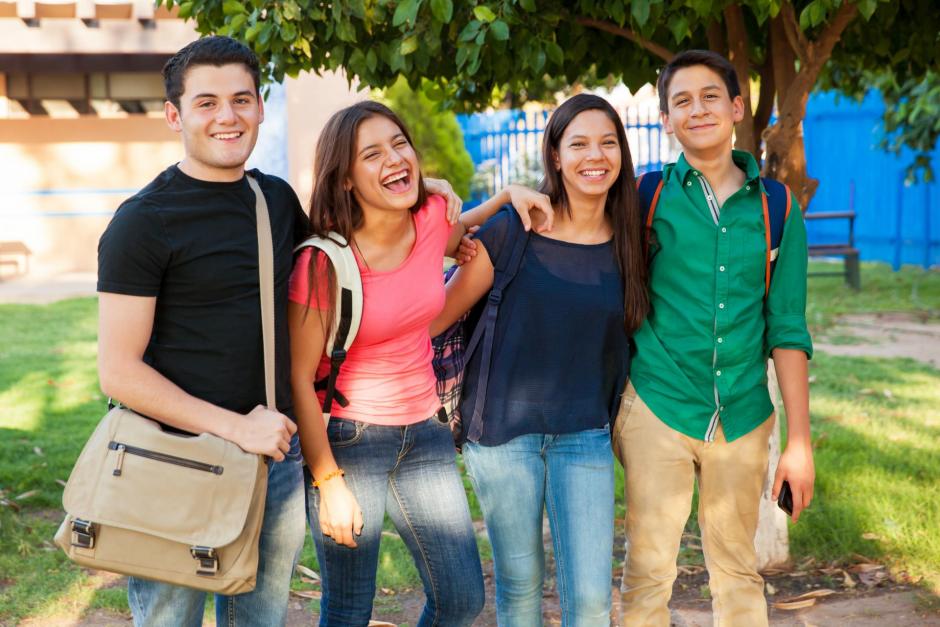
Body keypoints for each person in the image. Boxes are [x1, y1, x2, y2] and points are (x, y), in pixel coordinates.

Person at [288, 100, 553, 626]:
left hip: (425, 434)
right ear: (344, 178)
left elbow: (462, 237)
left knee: (461, 599)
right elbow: (297, 376)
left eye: (399, 144)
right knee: (348, 611)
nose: (394, 158)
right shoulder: (322, 261)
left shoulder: (431, 218)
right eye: (372, 153)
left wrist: (502, 196)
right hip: (347, 439)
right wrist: (328, 481)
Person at [96, 36, 309, 626]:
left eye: (241, 100)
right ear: (175, 115)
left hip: (274, 461)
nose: (228, 116)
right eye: (207, 102)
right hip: (172, 461)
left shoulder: (276, 200)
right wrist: (237, 428)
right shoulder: (144, 222)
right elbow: (118, 371)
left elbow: (356, 260)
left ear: (261, 108)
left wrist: (458, 207)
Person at [433, 93, 649, 626]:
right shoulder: (515, 231)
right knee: (522, 590)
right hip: (503, 437)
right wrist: (494, 199)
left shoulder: (632, 243)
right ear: (555, 155)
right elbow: (433, 314)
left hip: (586, 436)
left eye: (607, 142)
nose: (593, 155)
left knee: (592, 602)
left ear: (621, 153)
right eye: (578, 143)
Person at [615, 50, 815, 626]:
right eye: (681, 101)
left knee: (737, 568)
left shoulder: (777, 207)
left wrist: (798, 443)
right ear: (665, 119)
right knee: (649, 569)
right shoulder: (643, 198)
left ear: (735, 107)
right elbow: (566, 228)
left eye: (709, 97)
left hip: (744, 413)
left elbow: (788, 329)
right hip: (657, 402)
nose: (696, 109)